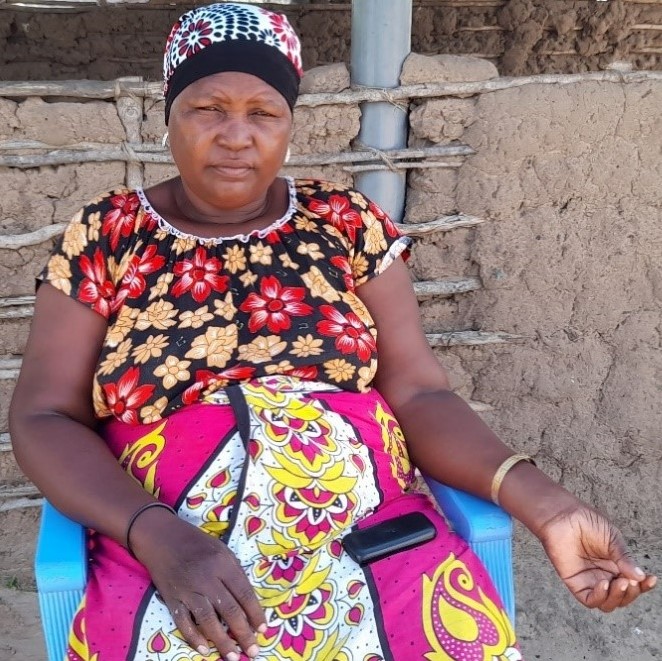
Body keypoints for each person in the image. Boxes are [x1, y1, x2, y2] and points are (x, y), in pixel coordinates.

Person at [10, 4, 656, 660]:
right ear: (168, 113)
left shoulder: (344, 221)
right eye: (208, 108)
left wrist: (550, 507)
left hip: (373, 541)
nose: (236, 136)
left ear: (290, 124)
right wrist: (156, 535)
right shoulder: (110, 233)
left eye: (263, 113)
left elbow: (420, 394)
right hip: (181, 551)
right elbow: (43, 415)